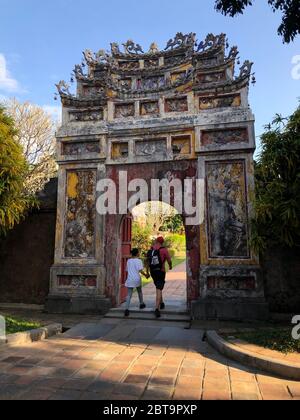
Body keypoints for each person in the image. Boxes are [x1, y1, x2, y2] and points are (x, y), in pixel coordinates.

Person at [147, 237, 173, 318]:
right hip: (160, 271)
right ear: (162, 242)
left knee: (158, 286)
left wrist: (147, 271)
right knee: (159, 288)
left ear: (156, 241)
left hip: (153, 271)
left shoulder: (152, 249)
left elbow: (148, 261)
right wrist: (170, 266)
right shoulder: (164, 249)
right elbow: (169, 259)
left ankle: (161, 303)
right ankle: (157, 309)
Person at [124, 248, 149, 317]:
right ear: (137, 253)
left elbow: (127, 270)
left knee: (129, 294)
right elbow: (140, 270)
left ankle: (126, 309)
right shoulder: (139, 261)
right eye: (139, 252)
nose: (139, 253)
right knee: (139, 291)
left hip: (130, 279)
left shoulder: (128, 261)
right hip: (137, 279)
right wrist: (146, 275)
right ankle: (141, 304)